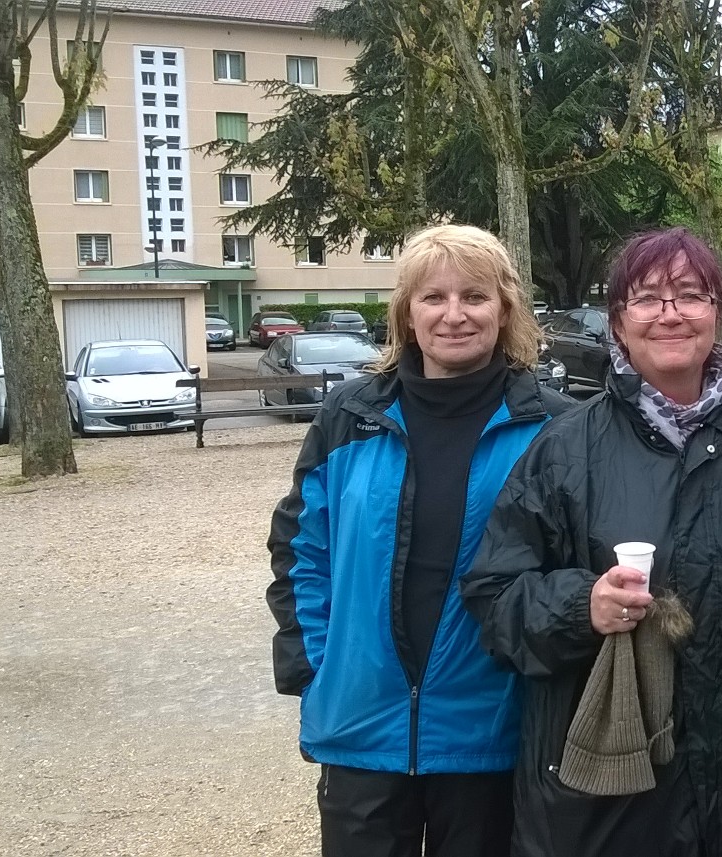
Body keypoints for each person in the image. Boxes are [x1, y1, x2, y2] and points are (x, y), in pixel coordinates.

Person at [462, 227, 722, 857]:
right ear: (618, 324)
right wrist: (582, 606)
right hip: (607, 807)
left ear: (717, 313)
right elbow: (495, 595)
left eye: (691, 294)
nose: (671, 314)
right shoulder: (565, 449)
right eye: (648, 298)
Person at [266, 225, 571, 857]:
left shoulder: (552, 427)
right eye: (433, 297)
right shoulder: (351, 417)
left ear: (505, 308)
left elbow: (567, 571)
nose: (454, 315)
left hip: (490, 728)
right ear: (406, 311)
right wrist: (319, 666)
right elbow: (301, 547)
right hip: (362, 721)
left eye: (475, 297)